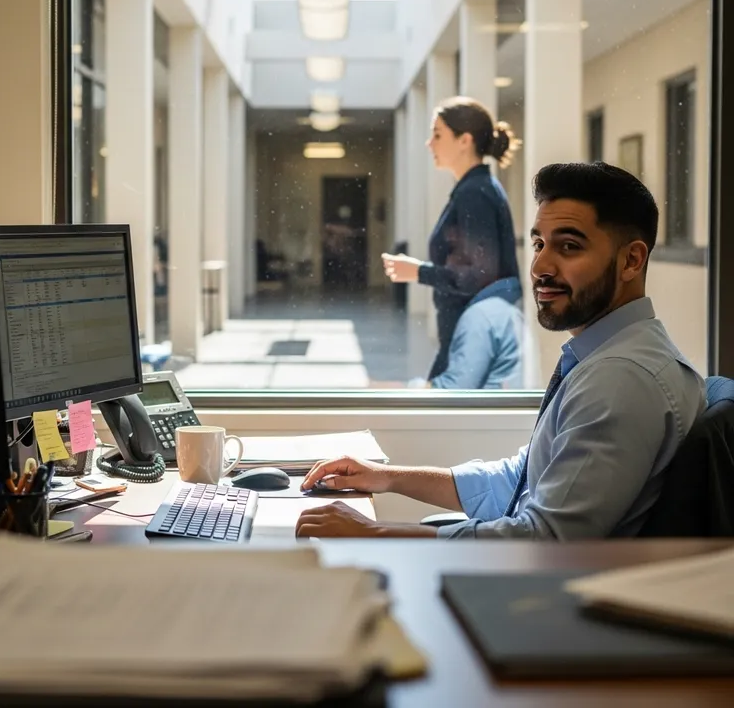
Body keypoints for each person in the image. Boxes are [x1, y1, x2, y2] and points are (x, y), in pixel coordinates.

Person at [296, 162, 706, 540]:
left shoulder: (621, 379)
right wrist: (383, 477)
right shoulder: (612, 355)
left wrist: (375, 534)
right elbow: (519, 479)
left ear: (631, 260)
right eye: (539, 243)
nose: (540, 266)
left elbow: (544, 541)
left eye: (568, 247)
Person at [381, 97, 521, 381]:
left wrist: (418, 272)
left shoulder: (475, 193)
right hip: (468, 338)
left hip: (471, 341)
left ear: (464, 141)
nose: (428, 143)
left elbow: (478, 275)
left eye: (437, 134)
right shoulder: (475, 189)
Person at [406, 275, 523, 390]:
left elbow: (458, 388)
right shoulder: (506, 304)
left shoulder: (481, 316)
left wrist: (412, 389)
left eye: (464, 262)